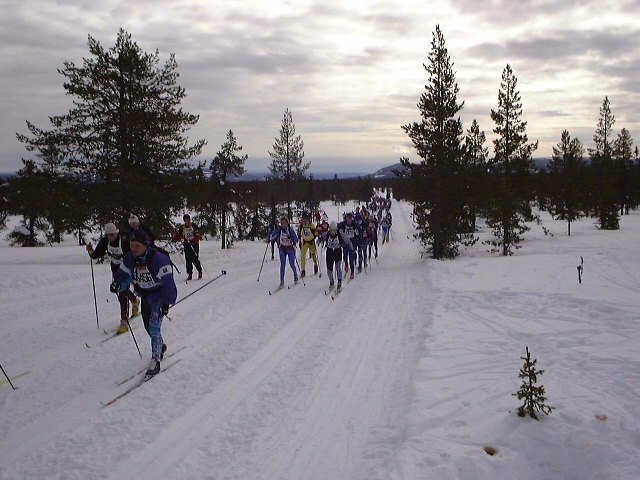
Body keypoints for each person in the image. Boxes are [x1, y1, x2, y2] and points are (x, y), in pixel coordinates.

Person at [110, 229, 177, 376]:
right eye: (132, 245)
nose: (133, 248)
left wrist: (167, 303)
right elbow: (123, 275)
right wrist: (117, 284)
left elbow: (168, 283)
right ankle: (161, 345)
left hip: (159, 295)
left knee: (154, 327)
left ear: (145, 245)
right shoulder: (130, 258)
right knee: (148, 326)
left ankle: (156, 360)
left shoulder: (158, 259)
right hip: (145, 295)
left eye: (137, 245)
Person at [86, 222, 140, 333]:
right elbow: (96, 255)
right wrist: (90, 250)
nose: (110, 237)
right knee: (121, 290)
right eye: (108, 235)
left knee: (122, 292)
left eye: (112, 235)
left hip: (127, 268)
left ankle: (124, 320)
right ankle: (134, 301)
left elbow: (134, 253)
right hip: (116, 268)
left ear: (116, 233)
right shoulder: (105, 241)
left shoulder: (124, 241)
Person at [319, 221, 352, 291]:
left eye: (334, 230)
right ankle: (331, 281)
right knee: (329, 270)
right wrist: (319, 241)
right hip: (329, 253)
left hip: (337, 252)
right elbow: (322, 238)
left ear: (336, 229)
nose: (332, 232)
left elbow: (347, 239)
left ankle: (339, 281)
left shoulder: (340, 234)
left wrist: (350, 245)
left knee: (338, 268)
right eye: (331, 230)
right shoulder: (327, 234)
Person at [269, 216, 299, 287]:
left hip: (290, 248)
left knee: (292, 264)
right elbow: (273, 236)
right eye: (282, 223)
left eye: (284, 223)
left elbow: (296, 240)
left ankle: (295, 275)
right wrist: (269, 239)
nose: (283, 225)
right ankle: (282, 281)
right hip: (282, 248)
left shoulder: (290, 230)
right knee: (282, 265)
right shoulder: (279, 230)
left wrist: (291, 239)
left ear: (287, 223)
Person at [175, 214, 202, 281]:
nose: (188, 221)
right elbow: (180, 235)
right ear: (184, 221)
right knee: (188, 260)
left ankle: (200, 271)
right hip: (187, 246)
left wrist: (194, 241)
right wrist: (175, 238)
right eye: (186, 220)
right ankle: (190, 274)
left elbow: (197, 235)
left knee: (195, 259)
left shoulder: (193, 225)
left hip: (194, 245)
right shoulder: (182, 227)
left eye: (189, 219)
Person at [297, 212, 319, 278]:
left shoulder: (311, 225)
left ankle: (315, 264)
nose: (304, 221)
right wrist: (299, 242)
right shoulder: (301, 226)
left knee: (313, 254)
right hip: (305, 242)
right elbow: (299, 234)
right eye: (303, 219)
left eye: (306, 219)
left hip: (311, 242)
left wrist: (317, 235)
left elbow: (316, 233)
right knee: (303, 256)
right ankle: (303, 270)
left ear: (308, 219)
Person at [337, 212, 358, 279]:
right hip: (345, 242)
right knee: (345, 254)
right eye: (347, 219)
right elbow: (337, 226)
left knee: (351, 257)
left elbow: (358, 231)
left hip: (352, 242)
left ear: (352, 219)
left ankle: (352, 272)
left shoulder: (354, 224)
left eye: (350, 219)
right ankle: (346, 264)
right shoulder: (343, 224)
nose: (348, 220)